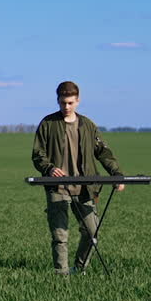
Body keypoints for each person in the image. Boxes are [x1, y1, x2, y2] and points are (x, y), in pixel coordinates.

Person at [31, 80, 125, 274]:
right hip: (57, 188)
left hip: (85, 188)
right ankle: (61, 275)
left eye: (70, 103)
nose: (66, 107)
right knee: (60, 234)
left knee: (92, 232)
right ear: (57, 101)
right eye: (63, 103)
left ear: (78, 101)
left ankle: (79, 270)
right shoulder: (48, 124)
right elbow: (37, 154)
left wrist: (116, 174)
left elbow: (103, 152)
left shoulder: (88, 125)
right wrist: (49, 168)